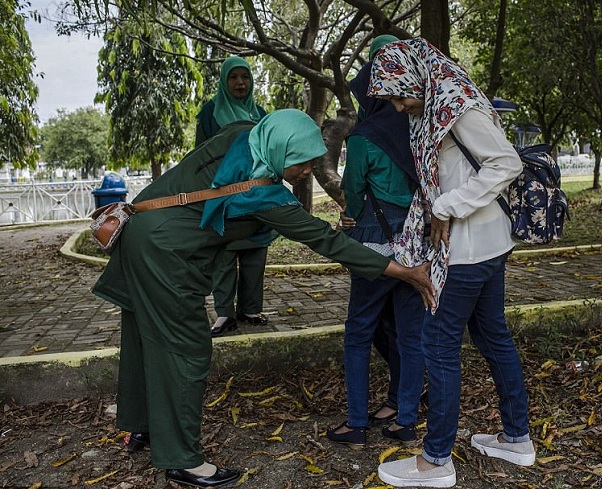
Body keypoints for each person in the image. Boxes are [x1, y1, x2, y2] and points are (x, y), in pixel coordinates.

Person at [92, 109, 435, 489]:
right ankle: (183, 461)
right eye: (301, 163)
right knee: (186, 350)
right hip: (166, 254)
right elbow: (329, 241)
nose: (307, 171)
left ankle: (144, 428)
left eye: (311, 161)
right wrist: (403, 272)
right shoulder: (263, 195)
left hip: (138, 230)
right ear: (281, 151)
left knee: (144, 338)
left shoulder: (244, 134)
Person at [368, 38, 535, 488]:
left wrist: (448, 205)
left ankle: (436, 460)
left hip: (470, 249)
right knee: (490, 334)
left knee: (438, 345)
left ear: (416, 76)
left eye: (400, 94)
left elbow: (505, 162)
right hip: (479, 245)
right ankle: (516, 437)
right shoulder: (435, 102)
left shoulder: (457, 105)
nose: (400, 106)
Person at [327, 34, 425, 448]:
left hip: (374, 245)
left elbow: (351, 191)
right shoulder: (420, 126)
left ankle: (356, 423)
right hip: (416, 243)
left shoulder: (363, 136)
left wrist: (350, 212)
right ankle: (405, 418)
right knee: (409, 332)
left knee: (358, 333)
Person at [195, 55, 270, 335]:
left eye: (245, 77)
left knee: (255, 249)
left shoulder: (259, 113)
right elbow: (200, 155)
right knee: (224, 255)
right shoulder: (210, 113)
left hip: (256, 193)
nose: (240, 82)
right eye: (234, 77)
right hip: (223, 193)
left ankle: (251, 309)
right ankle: (224, 313)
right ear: (225, 81)